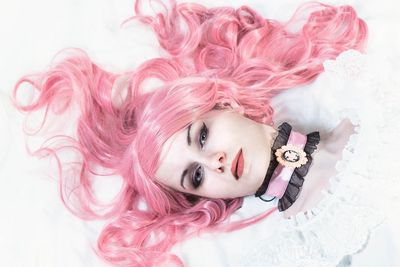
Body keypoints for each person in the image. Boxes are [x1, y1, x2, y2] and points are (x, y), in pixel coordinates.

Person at [12, 0, 370, 266]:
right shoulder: (304, 246)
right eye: (195, 176)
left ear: (225, 104)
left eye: (201, 136)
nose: (213, 161)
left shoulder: (360, 101)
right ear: (204, 198)